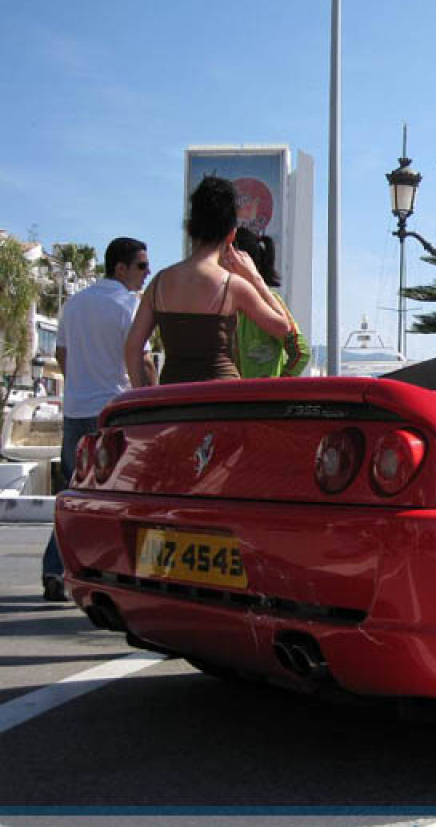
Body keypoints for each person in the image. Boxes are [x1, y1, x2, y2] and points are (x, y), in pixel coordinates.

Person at [40, 236, 155, 602]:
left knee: (73, 496)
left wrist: (81, 381)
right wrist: (149, 400)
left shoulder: (74, 304)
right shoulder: (128, 306)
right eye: (140, 266)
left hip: (76, 410)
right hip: (113, 412)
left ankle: (55, 569)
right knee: (124, 497)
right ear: (120, 267)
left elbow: (61, 352)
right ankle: (119, 576)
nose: (146, 272)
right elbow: (144, 360)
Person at [126, 176, 291, 386]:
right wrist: (255, 279)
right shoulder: (233, 286)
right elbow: (282, 328)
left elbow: (133, 347)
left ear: (188, 229)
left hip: (173, 398)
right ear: (231, 235)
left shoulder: (159, 282)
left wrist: (142, 396)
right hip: (220, 401)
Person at [232, 226, 309, 377]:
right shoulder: (219, 303)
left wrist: (277, 390)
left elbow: (301, 353)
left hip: (265, 398)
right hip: (228, 398)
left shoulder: (271, 301)